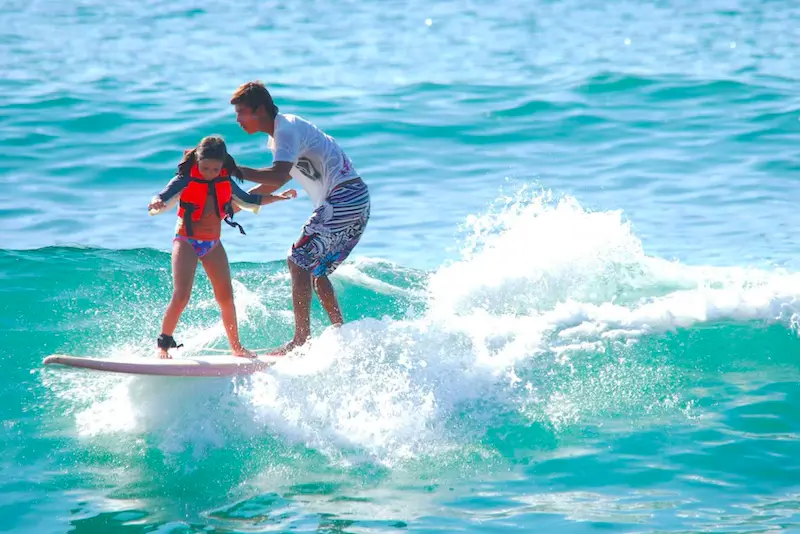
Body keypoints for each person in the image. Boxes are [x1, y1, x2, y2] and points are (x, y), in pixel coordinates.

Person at [229, 81, 370, 355]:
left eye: (242, 112)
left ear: (260, 110)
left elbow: (278, 175)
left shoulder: (287, 129)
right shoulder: (280, 137)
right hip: (356, 200)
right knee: (316, 271)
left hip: (344, 196)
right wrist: (231, 207)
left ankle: (301, 340)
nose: (237, 120)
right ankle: (341, 336)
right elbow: (273, 182)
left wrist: (234, 170)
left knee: (298, 259)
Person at [148, 135, 297, 359]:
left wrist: (278, 197)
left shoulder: (225, 181)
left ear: (223, 165)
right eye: (205, 168)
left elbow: (249, 200)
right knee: (181, 296)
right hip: (186, 240)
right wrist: (156, 201)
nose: (209, 173)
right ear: (197, 161)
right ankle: (163, 346)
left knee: (226, 298)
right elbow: (163, 195)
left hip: (212, 244)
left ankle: (236, 347)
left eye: (215, 169)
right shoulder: (185, 179)